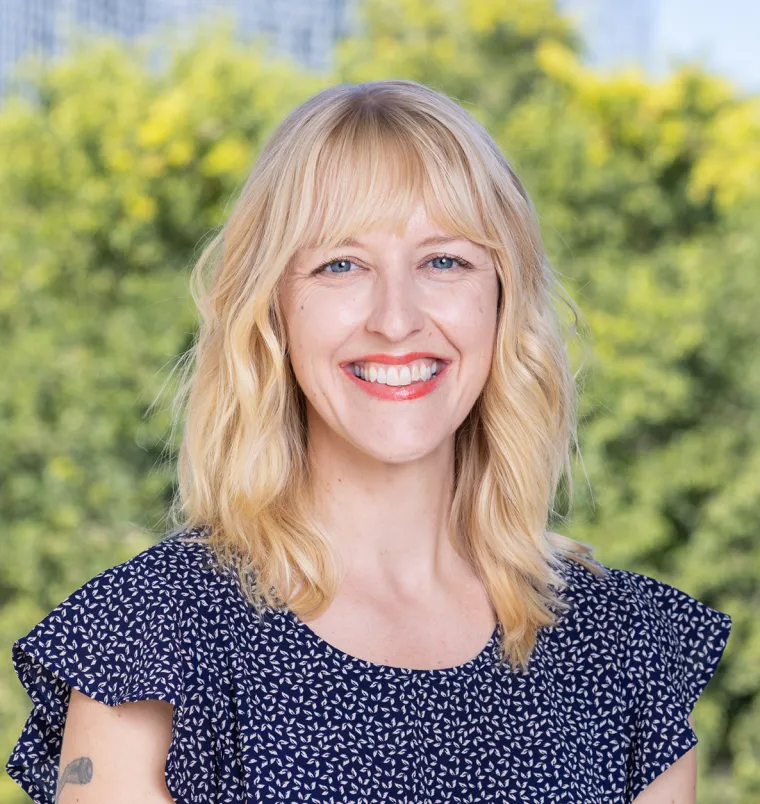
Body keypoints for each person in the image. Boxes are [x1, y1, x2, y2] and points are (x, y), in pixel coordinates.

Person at [6, 79, 731, 804]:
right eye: (340, 265)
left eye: (444, 261)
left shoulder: (628, 649)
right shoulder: (151, 639)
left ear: (503, 301)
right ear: (273, 313)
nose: (395, 318)